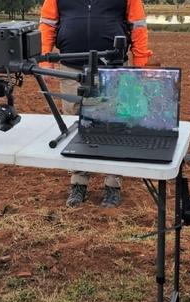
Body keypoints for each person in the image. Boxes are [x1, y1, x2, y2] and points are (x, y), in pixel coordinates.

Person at [39, 0, 153, 208]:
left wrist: (139, 64)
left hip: (112, 68)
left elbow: (138, 25)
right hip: (71, 68)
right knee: (75, 127)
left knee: (114, 125)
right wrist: (45, 59)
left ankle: (112, 184)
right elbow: (47, 23)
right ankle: (78, 182)